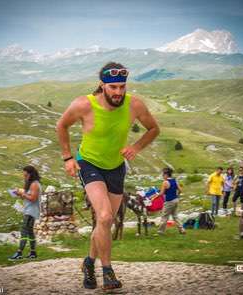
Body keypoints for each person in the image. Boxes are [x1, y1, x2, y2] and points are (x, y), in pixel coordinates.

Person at [56, 62, 159, 290]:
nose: (118, 92)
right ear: (102, 85)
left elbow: (154, 129)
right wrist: (67, 158)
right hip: (89, 164)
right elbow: (61, 126)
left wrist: (137, 147)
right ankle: (108, 272)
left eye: (122, 86)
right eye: (113, 87)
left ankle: (88, 263)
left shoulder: (134, 105)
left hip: (116, 167)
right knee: (103, 216)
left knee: (106, 222)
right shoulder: (84, 104)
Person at [9, 165, 42, 260]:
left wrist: (22, 193)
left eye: (26, 175)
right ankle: (33, 253)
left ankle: (19, 253)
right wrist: (19, 193)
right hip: (29, 210)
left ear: (31, 174)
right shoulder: (31, 184)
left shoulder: (35, 184)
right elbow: (28, 196)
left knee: (24, 231)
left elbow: (33, 198)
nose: (25, 177)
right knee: (30, 232)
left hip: (31, 211)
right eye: (24, 175)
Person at [157, 167, 185, 235]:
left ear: (166, 175)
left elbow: (161, 193)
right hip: (175, 200)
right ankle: (182, 229)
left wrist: (154, 196)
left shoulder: (165, 182)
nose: (163, 176)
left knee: (164, 216)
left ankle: (160, 231)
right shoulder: (175, 180)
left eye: (163, 175)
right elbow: (180, 190)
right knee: (175, 216)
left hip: (169, 201)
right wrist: (177, 195)